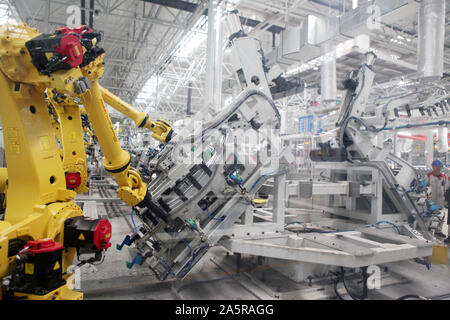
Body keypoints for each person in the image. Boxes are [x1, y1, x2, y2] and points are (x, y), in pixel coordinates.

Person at [426, 160, 448, 241]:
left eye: (439, 167)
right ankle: (428, 229)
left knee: (441, 215)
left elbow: (445, 188)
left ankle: (438, 230)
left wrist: (445, 200)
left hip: (441, 200)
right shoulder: (429, 176)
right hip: (431, 200)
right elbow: (425, 186)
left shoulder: (444, 176)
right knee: (430, 215)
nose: (438, 168)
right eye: (436, 166)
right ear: (433, 167)